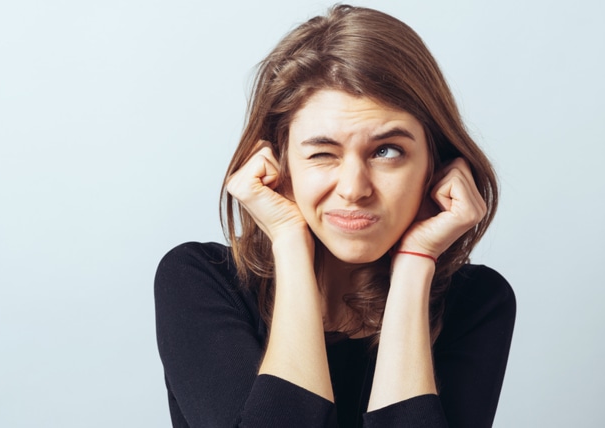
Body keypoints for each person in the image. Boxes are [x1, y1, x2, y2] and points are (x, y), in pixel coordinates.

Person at [155, 5, 516, 428]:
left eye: (387, 151)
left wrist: (416, 265)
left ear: (434, 165)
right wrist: (290, 243)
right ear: (279, 164)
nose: (354, 188)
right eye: (322, 153)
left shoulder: (478, 303)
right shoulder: (199, 279)